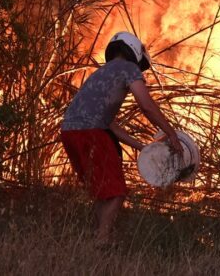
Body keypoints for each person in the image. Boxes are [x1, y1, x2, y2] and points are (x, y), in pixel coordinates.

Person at [60, 31, 183, 243]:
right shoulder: (129, 68)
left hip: (70, 133)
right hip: (92, 133)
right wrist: (171, 134)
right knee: (117, 192)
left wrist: (142, 146)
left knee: (101, 192)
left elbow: (110, 124)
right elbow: (146, 106)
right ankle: (102, 242)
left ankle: (96, 237)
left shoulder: (100, 73)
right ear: (134, 52)